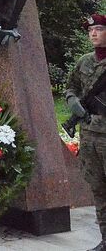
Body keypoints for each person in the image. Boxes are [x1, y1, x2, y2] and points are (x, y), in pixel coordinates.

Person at [66, 14, 106, 251]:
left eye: (99, 29)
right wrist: (72, 101)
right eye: (91, 30)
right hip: (89, 135)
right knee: (98, 190)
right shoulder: (84, 62)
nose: (93, 33)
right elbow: (71, 86)